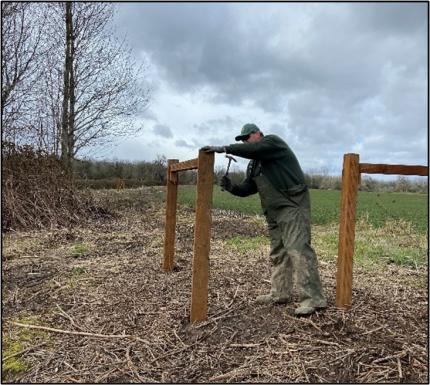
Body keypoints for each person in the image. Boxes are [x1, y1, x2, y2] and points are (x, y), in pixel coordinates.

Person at [201, 123, 327, 316]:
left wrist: (224, 148)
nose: (245, 141)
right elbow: (248, 188)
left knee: (299, 250)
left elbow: (255, 149)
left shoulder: (273, 143)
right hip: (273, 212)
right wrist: (231, 187)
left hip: (292, 206)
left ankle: (313, 299)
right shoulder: (254, 164)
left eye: (246, 138)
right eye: (242, 140)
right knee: (279, 252)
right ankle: (280, 293)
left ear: (258, 134)